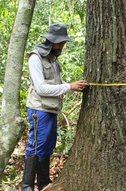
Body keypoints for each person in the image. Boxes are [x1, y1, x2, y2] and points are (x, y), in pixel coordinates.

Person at [22, 24, 88, 191]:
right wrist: (69, 87)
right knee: (36, 145)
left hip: (51, 109)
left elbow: (55, 84)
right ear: (52, 41)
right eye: (61, 43)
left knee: (48, 145)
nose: (63, 46)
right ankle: (27, 186)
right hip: (39, 109)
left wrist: (73, 87)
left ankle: (43, 183)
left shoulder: (52, 59)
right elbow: (41, 88)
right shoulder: (35, 58)